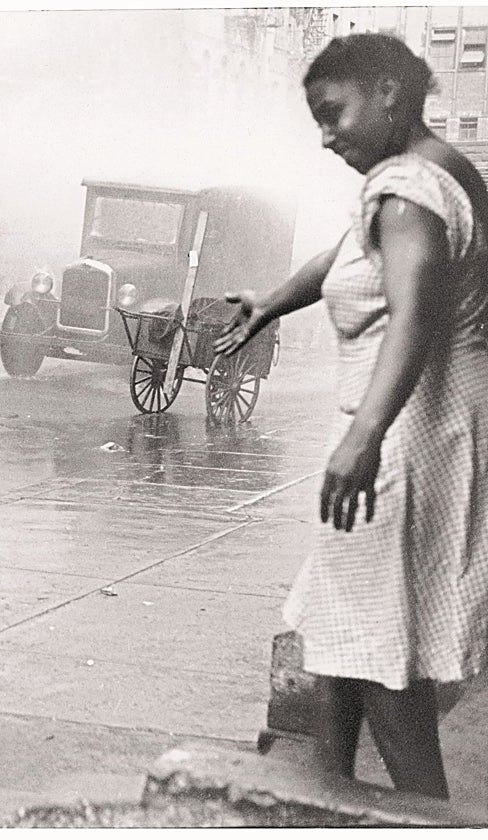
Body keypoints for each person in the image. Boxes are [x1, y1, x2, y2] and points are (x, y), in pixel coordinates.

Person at [216, 33, 488, 800]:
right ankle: (323, 795)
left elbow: (415, 311)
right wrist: (274, 301)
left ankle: (425, 816)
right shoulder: (432, 171)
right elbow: (349, 252)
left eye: (334, 113)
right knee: (334, 633)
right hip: (436, 428)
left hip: (403, 437)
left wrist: (365, 435)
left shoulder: (405, 195)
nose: (326, 134)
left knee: (375, 652)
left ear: (389, 92)